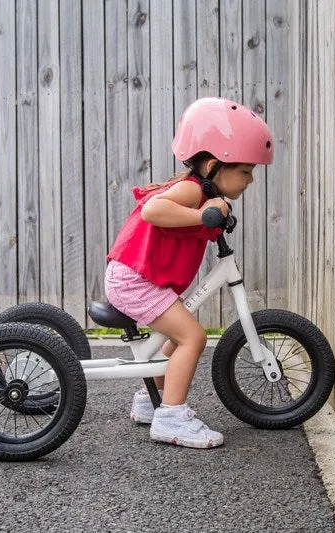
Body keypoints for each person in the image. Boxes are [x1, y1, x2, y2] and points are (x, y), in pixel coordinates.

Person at [104, 97, 274, 448]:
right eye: (245, 171)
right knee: (192, 337)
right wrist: (202, 216)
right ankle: (171, 417)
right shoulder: (192, 189)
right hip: (134, 281)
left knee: (173, 337)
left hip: (139, 279)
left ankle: (149, 400)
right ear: (214, 165)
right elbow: (153, 211)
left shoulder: (203, 192)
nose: (251, 180)